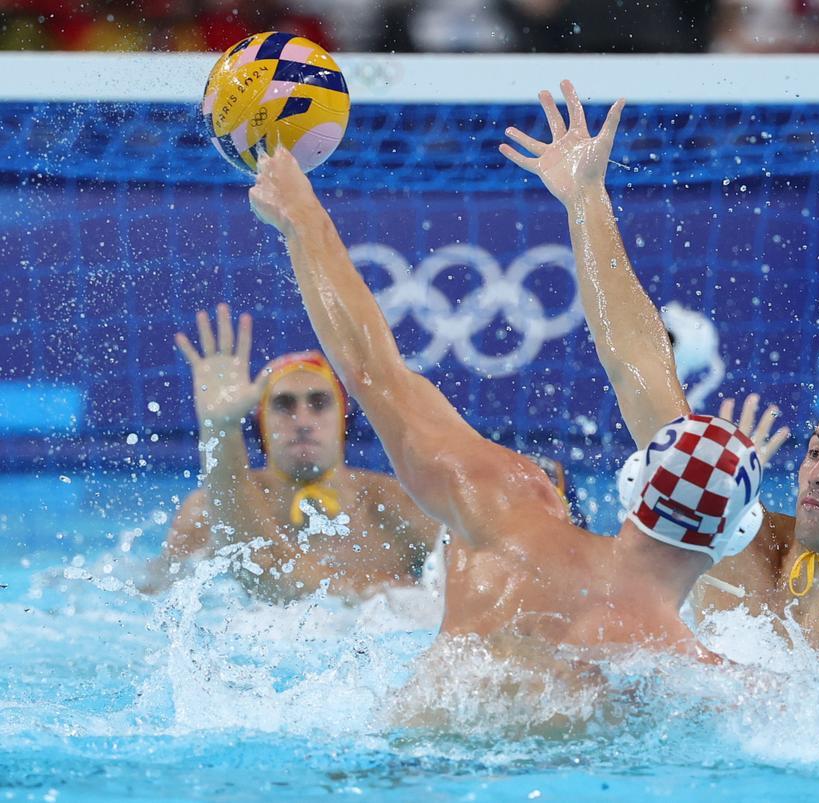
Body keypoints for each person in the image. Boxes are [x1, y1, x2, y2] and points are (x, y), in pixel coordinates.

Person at [500, 80, 819, 685]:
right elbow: (637, 362)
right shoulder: (729, 528)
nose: (815, 472)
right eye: (814, 451)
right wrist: (585, 198)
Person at [244, 145, 765, 668]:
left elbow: (369, 369)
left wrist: (302, 217)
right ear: (736, 534)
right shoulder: (701, 679)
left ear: (632, 482)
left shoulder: (504, 512)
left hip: (405, 747)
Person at [142, 305, 444, 604]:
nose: (302, 421)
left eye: (319, 403)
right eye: (284, 405)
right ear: (262, 423)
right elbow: (154, 599)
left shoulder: (397, 506)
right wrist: (221, 428)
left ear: (344, 416)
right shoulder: (210, 509)